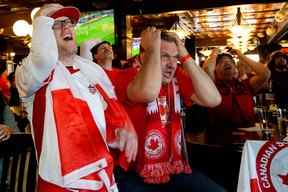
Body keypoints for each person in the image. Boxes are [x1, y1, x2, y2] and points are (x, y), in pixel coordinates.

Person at [15, 4, 139, 191]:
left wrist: (119, 132)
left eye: (69, 23)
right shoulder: (31, 74)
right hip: (59, 185)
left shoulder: (92, 71)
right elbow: (44, 58)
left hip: (103, 180)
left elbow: (105, 116)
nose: (67, 27)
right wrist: (41, 16)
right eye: (57, 24)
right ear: (43, 34)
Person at [107, 31, 224, 192]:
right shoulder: (126, 76)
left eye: (174, 57)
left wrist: (184, 55)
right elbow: (148, 92)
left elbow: (213, 99)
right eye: (164, 56)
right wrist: (152, 49)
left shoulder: (177, 78)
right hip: (132, 174)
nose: (172, 64)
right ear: (143, 56)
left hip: (173, 170)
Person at [203, 48, 270, 144]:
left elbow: (265, 73)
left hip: (249, 140)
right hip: (221, 141)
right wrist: (215, 52)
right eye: (221, 62)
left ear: (235, 67)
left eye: (231, 61)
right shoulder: (212, 85)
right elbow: (207, 68)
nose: (227, 62)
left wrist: (241, 55)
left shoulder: (245, 84)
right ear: (215, 69)